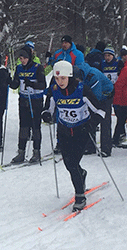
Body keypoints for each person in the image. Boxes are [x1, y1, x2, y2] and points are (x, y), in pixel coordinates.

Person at [41, 60, 105, 211]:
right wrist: (46, 115)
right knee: (70, 165)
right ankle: (81, 175)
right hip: (63, 131)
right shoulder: (54, 90)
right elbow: (48, 109)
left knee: (72, 163)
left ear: (70, 76)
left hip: (80, 132)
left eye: (63, 78)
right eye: (57, 78)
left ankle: (80, 196)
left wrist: (91, 124)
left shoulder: (82, 89)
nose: (60, 81)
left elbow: (101, 111)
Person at [10, 46, 46, 163]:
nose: (22, 60)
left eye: (24, 58)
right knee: (23, 127)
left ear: (29, 57)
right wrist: (8, 81)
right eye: (21, 58)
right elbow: (15, 84)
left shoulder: (37, 67)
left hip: (35, 100)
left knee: (35, 127)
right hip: (23, 100)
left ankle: (36, 152)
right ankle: (21, 152)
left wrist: (32, 84)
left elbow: (43, 85)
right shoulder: (19, 68)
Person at [73, 62, 114, 157]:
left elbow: (96, 96)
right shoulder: (78, 73)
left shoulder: (93, 76)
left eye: (77, 79)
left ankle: (106, 149)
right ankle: (90, 146)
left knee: (104, 120)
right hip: (93, 96)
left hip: (106, 95)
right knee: (89, 119)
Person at [112, 57, 127, 147]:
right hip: (124, 99)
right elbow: (119, 84)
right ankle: (116, 139)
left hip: (123, 99)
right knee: (121, 119)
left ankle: (116, 138)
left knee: (121, 120)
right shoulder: (125, 69)